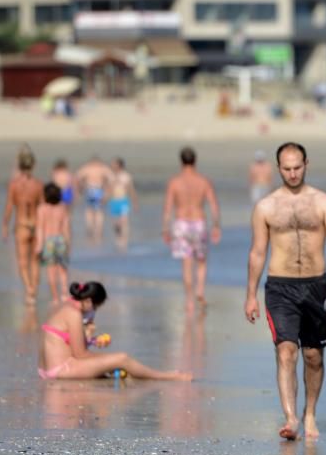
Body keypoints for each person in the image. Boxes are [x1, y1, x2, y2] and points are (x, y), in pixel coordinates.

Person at [244, 142, 326, 441]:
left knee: (314, 356)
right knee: (286, 351)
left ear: (306, 164)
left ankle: (310, 413)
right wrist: (250, 294)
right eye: (286, 168)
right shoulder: (265, 206)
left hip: (317, 286)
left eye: (297, 167)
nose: (292, 173)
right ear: (278, 168)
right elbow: (257, 253)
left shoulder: (324, 202)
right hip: (280, 287)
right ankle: (291, 417)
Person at [39, 281, 192, 381]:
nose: (94, 311)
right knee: (121, 358)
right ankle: (166, 376)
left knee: (115, 367)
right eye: (96, 307)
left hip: (54, 368)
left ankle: (130, 372)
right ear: (88, 301)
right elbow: (80, 354)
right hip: (63, 369)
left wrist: (90, 338)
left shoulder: (67, 307)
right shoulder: (74, 314)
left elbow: (69, 346)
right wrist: (109, 360)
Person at [163, 146, 221, 313]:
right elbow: (213, 205)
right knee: (201, 261)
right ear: (195, 160)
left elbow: (168, 208)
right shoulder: (204, 181)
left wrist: (165, 229)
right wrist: (216, 226)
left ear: (181, 161)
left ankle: (189, 299)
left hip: (181, 223)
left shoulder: (174, 182)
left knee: (187, 262)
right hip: (198, 222)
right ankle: (200, 291)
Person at [2, 146, 44, 304]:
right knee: (35, 261)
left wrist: (5, 226)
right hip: (36, 224)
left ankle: (29, 289)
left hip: (21, 225)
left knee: (22, 262)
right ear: (33, 165)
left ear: (19, 166)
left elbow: (9, 207)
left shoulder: (14, 185)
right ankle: (34, 290)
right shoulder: (38, 184)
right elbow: (42, 207)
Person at [35, 183, 71, 305]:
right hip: (60, 240)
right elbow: (66, 228)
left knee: (51, 271)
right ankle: (65, 294)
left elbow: (40, 228)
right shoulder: (63, 208)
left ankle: (55, 297)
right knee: (63, 270)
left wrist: (39, 245)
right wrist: (68, 243)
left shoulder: (42, 208)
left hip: (48, 241)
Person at [75, 156, 114, 241]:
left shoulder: (87, 168)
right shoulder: (103, 168)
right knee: (98, 211)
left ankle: (90, 228)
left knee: (89, 210)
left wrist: (81, 187)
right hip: (98, 189)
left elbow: (77, 177)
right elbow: (111, 178)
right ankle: (98, 230)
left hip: (89, 189)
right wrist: (107, 189)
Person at [108, 157, 138, 249]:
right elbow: (108, 189)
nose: (112, 165)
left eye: (114, 164)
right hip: (113, 201)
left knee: (124, 222)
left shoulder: (126, 176)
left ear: (119, 165)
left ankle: (124, 241)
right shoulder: (110, 176)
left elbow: (131, 189)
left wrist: (135, 202)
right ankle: (118, 239)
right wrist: (104, 198)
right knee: (115, 223)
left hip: (123, 200)